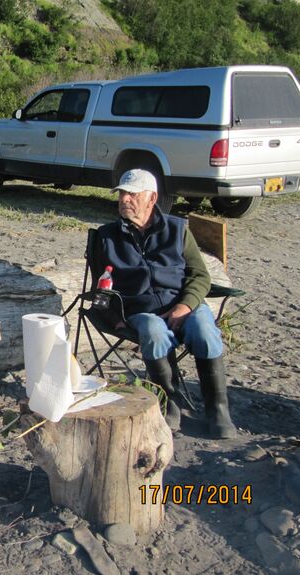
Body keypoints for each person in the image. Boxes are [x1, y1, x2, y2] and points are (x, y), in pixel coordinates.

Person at [97, 168, 237, 438]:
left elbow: (200, 276)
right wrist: (116, 318)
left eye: (132, 194)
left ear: (151, 198)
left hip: (183, 303)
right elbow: (101, 285)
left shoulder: (177, 229)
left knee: (206, 331)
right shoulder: (107, 236)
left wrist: (186, 305)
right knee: (153, 330)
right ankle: (171, 401)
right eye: (122, 193)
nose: (125, 199)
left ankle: (217, 410)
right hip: (140, 309)